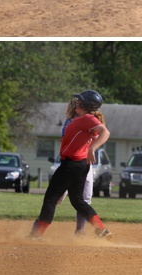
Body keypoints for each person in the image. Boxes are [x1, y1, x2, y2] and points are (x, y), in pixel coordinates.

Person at [29, 89, 112, 240]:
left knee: (51, 199)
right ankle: (101, 229)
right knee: (78, 201)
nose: (76, 103)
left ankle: (36, 235)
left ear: (86, 105)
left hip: (71, 165)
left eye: (79, 101)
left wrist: (93, 148)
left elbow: (105, 132)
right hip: (79, 164)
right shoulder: (82, 119)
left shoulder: (88, 118)